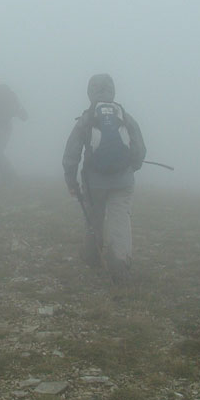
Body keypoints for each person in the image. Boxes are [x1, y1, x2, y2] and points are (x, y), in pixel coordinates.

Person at [62, 73, 146, 283]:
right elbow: (139, 148)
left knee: (94, 218)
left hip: (94, 182)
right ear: (113, 91)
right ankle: (120, 265)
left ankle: (92, 257)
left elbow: (72, 152)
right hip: (123, 181)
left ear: (90, 92)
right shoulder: (124, 116)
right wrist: (132, 167)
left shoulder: (88, 118)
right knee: (121, 220)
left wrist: (71, 180)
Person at [0, 82, 28, 184]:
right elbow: (18, 111)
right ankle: (7, 177)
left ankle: (10, 176)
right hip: (5, 125)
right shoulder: (5, 94)